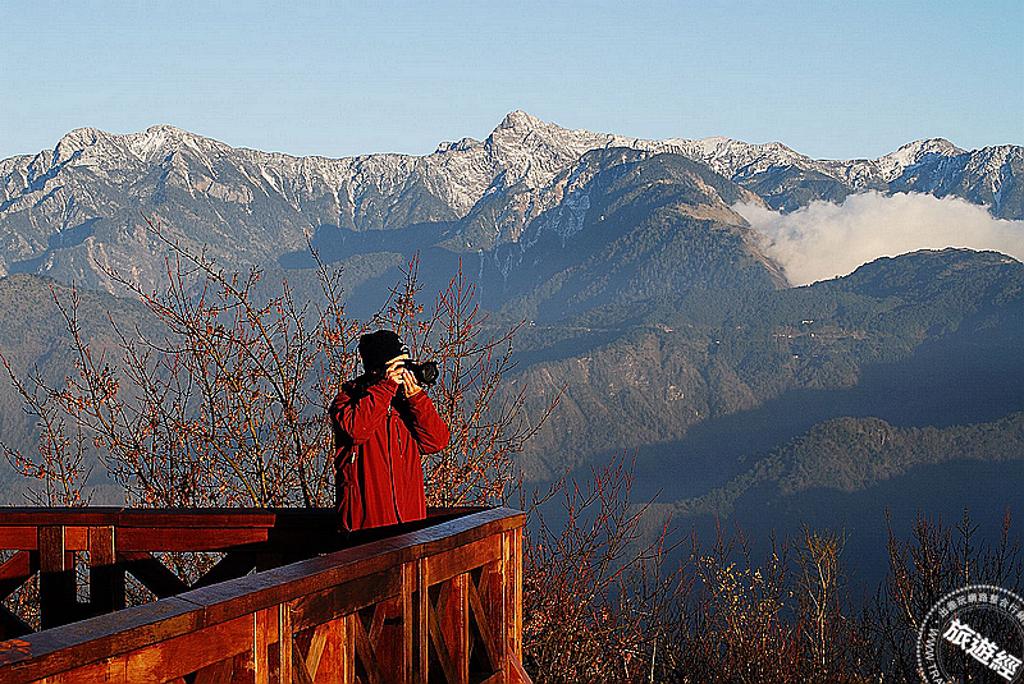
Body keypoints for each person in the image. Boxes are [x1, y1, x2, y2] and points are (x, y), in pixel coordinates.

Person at [329, 330, 450, 533]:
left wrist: (417, 399)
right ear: (378, 370)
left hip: (410, 525)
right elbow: (357, 430)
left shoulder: (405, 404)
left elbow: (437, 441)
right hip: (366, 530)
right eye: (398, 367)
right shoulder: (348, 400)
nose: (404, 373)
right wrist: (385, 388)